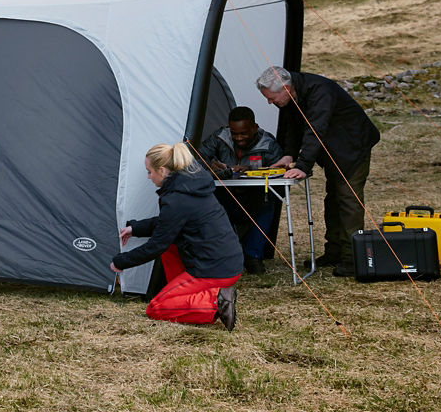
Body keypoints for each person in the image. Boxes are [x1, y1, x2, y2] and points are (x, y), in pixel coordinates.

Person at [256, 66, 381, 277]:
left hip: (352, 146)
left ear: (285, 88)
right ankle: (334, 252)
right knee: (332, 199)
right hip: (333, 150)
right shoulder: (291, 97)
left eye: (271, 98)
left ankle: (353, 258)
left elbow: (316, 129)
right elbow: (293, 127)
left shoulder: (320, 92)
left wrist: (303, 166)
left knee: (348, 200)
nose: (270, 102)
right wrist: (289, 155)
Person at [110, 142, 243, 330]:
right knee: (170, 244)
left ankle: (216, 302)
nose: (148, 176)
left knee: (156, 309)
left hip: (214, 271)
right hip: (228, 264)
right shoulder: (190, 186)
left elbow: (156, 245)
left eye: (149, 171)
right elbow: (169, 223)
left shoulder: (177, 199)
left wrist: (120, 262)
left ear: (163, 171)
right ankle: (185, 294)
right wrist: (136, 228)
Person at [200, 106, 285, 274]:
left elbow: (280, 172)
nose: (238, 138)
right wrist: (213, 166)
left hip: (255, 196)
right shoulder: (220, 137)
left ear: (255, 127)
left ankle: (253, 256)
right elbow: (197, 157)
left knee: (268, 204)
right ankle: (223, 255)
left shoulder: (268, 143)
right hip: (225, 194)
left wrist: (252, 170)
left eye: (244, 133)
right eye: (234, 133)